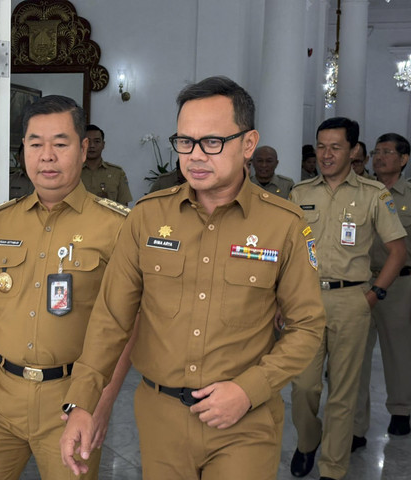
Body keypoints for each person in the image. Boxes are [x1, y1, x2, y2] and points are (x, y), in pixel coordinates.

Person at [59, 76, 325, 480]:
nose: (196, 155)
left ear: (248, 144)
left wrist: (248, 389)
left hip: (244, 419)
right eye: (185, 141)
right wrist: (82, 402)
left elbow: (307, 327)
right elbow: (111, 319)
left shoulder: (283, 224)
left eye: (212, 142)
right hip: (160, 416)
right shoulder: (148, 217)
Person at [0, 95, 136, 480]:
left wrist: (100, 403)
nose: (47, 156)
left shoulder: (116, 228)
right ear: (24, 151)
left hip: (72, 401)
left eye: (60, 144)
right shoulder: (1, 223)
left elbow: (126, 327)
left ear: (83, 150)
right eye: (35, 144)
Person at [288, 118, 407, 480]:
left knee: (343, 391)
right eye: (321, 146)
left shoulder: (374, 195)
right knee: (304, 386)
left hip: (352, 300)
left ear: (354, 150)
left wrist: (374, 294)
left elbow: (397, 251)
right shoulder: (300, 193)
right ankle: (308, 442)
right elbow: (287, 251)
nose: (326, 154)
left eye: (335, 147)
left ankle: (333, 467)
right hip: (305, 301)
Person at [353, 133, 411, 451]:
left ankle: (401, 410)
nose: (379, 157)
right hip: (361, 282)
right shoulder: (362, 192)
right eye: (377, 152)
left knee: (398, 351)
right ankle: (356, 425)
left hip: (400, 284)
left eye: (387, 152)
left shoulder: (410, 195)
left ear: (403, 159)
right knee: (356, 356)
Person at [81, 124, 133, 205]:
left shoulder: (117, 173)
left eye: (97, 141)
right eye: (88, 141)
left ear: (103, 144)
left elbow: (124, 208)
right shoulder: (72, 173)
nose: (92, 146)